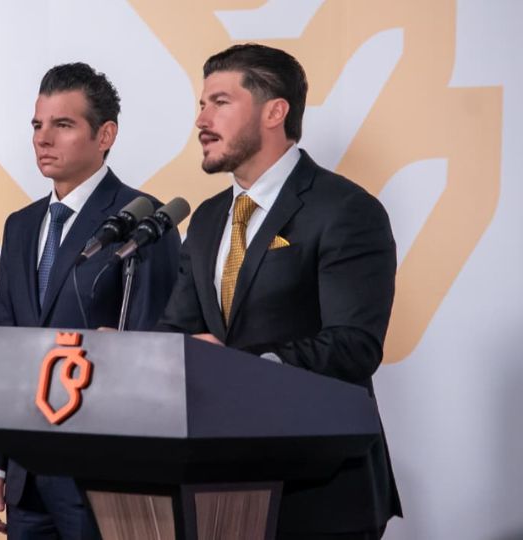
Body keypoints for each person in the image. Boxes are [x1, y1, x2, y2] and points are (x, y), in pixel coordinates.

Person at [157, 43, 402, 539]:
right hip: (219, 492)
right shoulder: (205, 219)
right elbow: (178, 331)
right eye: (201, 105)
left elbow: (353, 345)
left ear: (274, 112)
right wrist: (135, 357)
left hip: (321, 492)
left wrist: (236, 367)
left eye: (220, 102)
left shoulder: (344, 209)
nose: (201, 120)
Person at [0, 62, 180, 539]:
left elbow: (158, 342)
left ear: (105, 135)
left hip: (104, 472)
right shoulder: (21, 225)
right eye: (37, 125)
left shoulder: (144, 222)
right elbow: (4, 344)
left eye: (62, 125)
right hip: (26, 474)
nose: (43, 139)